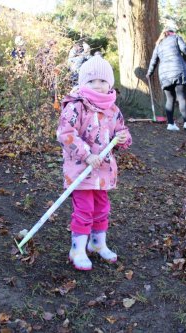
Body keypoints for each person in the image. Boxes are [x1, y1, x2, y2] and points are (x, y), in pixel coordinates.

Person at [57, 55, 132, 271]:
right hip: (81, 169)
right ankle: (77, 249)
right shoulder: (76, 106)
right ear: (83, 83)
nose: (97, 86)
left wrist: (123, 137)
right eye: (91, 81)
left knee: (102, 207)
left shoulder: (113, 109)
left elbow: (120, 130)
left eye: (102, 81)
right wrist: (86, 154)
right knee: (84, 208)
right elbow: (66, 133)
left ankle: (98, 243)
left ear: (110, 83)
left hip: (103, 171)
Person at [146, 25, 186, 134]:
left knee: (170, 99)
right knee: (182, 98)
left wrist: (149, 73)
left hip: (164, 75)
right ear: (171, 32)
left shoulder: (158, 45)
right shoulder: (176, 38)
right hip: (178, 71)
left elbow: (153, 61)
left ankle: (170, 124)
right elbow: (185, 49)